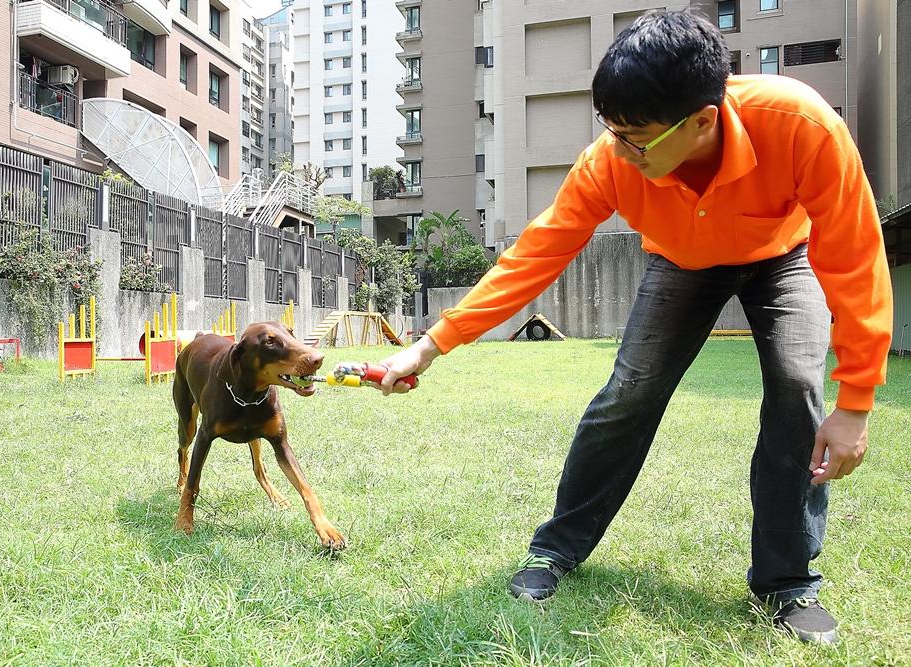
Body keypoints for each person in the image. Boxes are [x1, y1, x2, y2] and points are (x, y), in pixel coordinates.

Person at [377, 9, 892, 645]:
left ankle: (787, 582)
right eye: (611, 130)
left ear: (703, 118)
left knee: (797, 388)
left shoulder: (802, 125)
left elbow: (855, 259)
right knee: (629, 391)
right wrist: (430, 346)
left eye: (637, 136)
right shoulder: (612, 160)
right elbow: (535, 253)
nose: (620, 149)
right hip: (679, 261)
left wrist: (858, 403)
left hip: (781, 256)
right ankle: (555, 551)